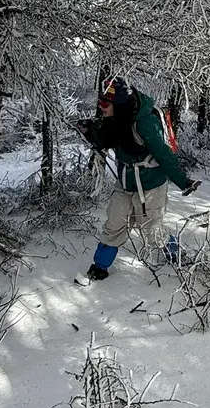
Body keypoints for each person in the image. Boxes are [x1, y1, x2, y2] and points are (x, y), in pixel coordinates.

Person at [77, 77, 201, 281]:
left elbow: (164, 155)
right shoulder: (116, 117)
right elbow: (108, 140)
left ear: (119, 104)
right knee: (114, 223)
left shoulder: (145, 122)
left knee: (152, 230)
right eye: (100, 101)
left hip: (150, 184)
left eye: (106, 103)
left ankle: (177, 256)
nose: (101, 106)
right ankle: (100, 267)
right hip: (126, 182)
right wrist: (91, 132)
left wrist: (183, 181)